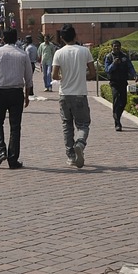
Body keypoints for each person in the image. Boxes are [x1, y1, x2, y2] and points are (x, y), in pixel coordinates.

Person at [0, 28, 32, 169]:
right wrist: (26, 95)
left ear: (3, 39)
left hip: (0, 91)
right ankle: (13, 159)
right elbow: (28, 78)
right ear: (16, 38)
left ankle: (1, 150)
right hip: (16, 92)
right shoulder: (23, 54)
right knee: (15, 127)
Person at [51, 24, 96, 168]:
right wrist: (82, 76)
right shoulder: (84, 51)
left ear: (62, 38)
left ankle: (71, 156)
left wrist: (63, 76)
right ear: (75, 36)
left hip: (64, 94)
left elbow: (54, 75)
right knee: (83, 124)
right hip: (80, 94)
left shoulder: (59, 53)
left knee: (67, 125)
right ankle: (80, 143)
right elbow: (93, 73)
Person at [104, 40, 138, 131]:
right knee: (116, 99)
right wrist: (114, 64)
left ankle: (116, 114)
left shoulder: (124, 57)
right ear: (112, 47)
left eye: (118, 46)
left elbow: (130, 67)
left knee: (123, 102)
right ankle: (117, 123)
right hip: (114, 82)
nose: (116, 48)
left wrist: (134, 75)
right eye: (115, 46)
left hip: (123, 81)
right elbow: (107, 70)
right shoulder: (109, 57)